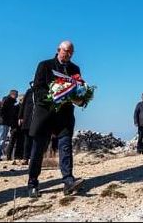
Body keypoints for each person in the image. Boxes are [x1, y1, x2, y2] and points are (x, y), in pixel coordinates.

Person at [27, 41, 84, 198]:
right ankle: (32, 183)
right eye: (66, 51)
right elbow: (37, 89)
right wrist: (54, 95)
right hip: (45, 115)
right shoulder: (44, 65)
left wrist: (80, 99)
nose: (68, 54)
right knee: (38, 150)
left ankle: (68, 181)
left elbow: (80, 90)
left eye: (71, 52)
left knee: (65, 148)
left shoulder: (75, 69)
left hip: (64, 116)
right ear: (58, 50)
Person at [18, 82, 35, 165]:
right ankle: (25, 158)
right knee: (27, 140)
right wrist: (20, 117)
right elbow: (23, 104)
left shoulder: (43, 90)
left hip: (37, 119)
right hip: (28, 119)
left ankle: (34, 158)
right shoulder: (29, 92)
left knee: (36, 140)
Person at [6, 95, 25, 161]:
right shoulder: (16, 107)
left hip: (21, 128)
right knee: (12, 142)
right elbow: (13, 118)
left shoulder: (24, 108)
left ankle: (18, 156)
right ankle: (8, 156)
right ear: (20, 100)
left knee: (20, 143)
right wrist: (13, 127)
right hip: (15, 127)